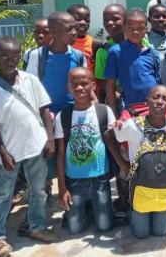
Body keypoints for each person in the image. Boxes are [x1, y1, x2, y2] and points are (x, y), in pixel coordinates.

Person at [0, 37, 58, 257]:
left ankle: (36, 226)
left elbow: (44, 109)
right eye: (4, 56)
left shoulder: (30, 80)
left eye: (15, 56)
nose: (10, 60)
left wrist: (50, 138)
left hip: (36, 147)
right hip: (11, 152)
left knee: (39, 190)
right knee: (3, 195)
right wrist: (3, 152)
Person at [105, 85, 166, 239]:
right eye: (155, 97)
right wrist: (123, 164)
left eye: (165, 99)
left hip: (164, 192)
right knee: (140, 234)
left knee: (160, 232)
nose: (160, 102)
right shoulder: (133, 125)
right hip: (140, 190)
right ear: (146, 101)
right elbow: (109, 135)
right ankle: (133, 212)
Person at [25, 11, 87, 180]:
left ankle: (72, 191)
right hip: (46, 117)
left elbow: (86, 87)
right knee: (48, 158)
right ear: (53, 33)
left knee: (71, 155)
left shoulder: (79, 56)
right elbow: (30, 89)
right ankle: (44, 192)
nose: (75, 32)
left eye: (75, 28)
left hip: (71, 117)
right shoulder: (37, 56)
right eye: (70, 29)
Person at [55, 67, 115, 234]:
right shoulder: (63, 116)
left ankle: (94, 208)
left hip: (100, 179)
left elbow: (113, 140)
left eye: (84, 84)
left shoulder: (104, 111)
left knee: (105, 226)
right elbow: (60, 154)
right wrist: (61, 187)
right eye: (75, 84)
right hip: (74, 181)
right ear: (69, 87)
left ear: (93, 86)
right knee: (75, 228)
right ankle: (85, 209)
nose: (80, 88)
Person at [104, 8, 161, 118]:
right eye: (130, 28)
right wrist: (113, 116)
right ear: (124, 28)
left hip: (154, 109)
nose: (135, 32)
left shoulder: (153, 54)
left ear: (146, 29)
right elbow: (110, 86)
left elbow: (159, 83)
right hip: (130, 110)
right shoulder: (116, 52)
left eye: (140, 28)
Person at [95, 4, 127, 103]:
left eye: (115, 19)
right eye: (106, 20)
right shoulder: (103, 51)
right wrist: (115, 95)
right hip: (118, 98)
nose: (109, 23)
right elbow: (101, 80)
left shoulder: (140, 43)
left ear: (126, 20)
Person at [67, 4, 99, 76]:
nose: (83, 23)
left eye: (87, 20)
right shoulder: (63, 43)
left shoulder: (95, 44)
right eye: (78, 19)